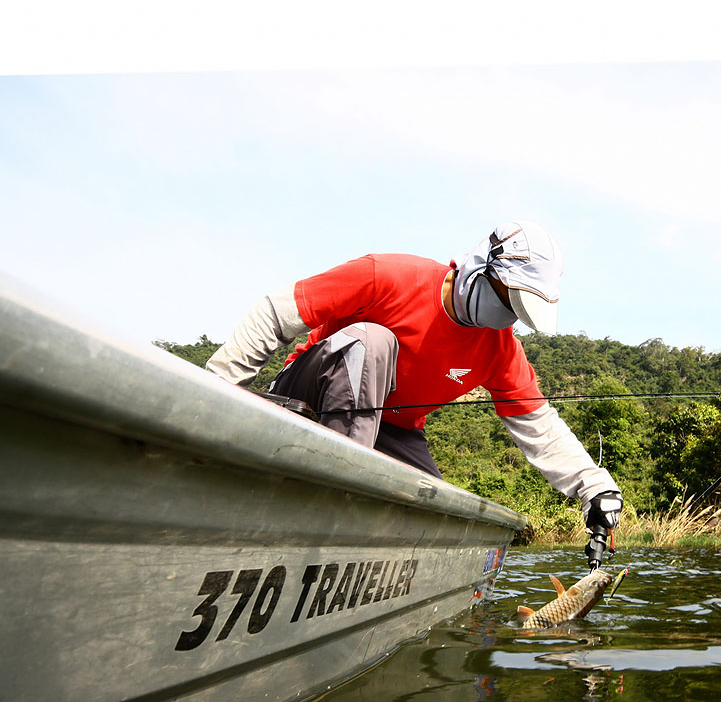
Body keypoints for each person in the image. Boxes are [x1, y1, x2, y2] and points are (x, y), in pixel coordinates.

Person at [206, 221, 623, 532]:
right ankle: (335, 501)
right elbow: (274, 315)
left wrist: (595, 487)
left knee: (437, 519)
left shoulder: (500, 348)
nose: (509, 316)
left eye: (519, 310)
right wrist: (215, 398)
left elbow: (539, 425)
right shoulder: (387, 275)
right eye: (508, 299)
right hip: (309, 397)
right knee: (371, 343)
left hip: (394, 429)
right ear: (482, 266)